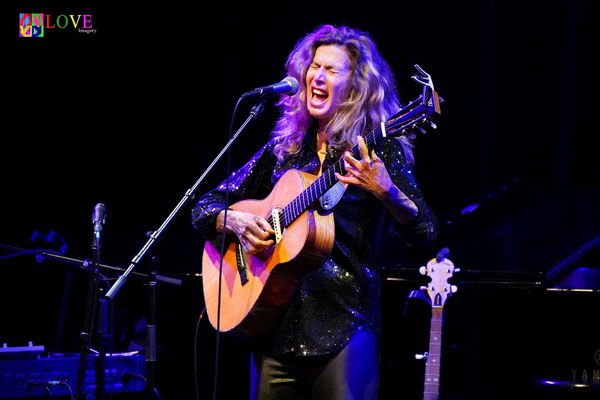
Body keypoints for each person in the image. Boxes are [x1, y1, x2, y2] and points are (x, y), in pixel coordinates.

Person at [192, 24, 438, 400]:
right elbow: (205, 205)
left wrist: (387, 191)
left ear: (356, 88)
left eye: (332, 70)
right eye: (313, 66)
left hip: (343, 330)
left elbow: (425, 232)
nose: (317, 77)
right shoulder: (286, 150)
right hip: (272, 329)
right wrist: (235, 221)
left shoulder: (377, 152)